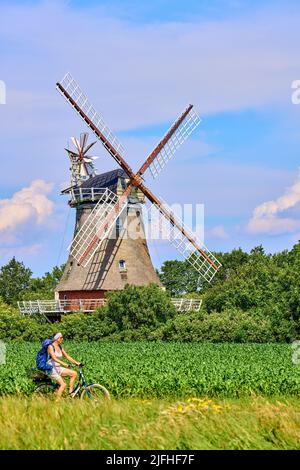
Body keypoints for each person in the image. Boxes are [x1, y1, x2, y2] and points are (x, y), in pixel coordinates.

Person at [47, 332, 81, 399]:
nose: (62, 339)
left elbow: (67, 356)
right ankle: (57, 402)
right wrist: (64, 364)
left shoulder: (59, 346)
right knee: (63, 385)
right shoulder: (50, 346)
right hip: (51, 369)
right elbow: (54, 358)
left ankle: (70, 393)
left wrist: (76, 363)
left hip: (58, 368)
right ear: (57, 338)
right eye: (61, 337)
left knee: (74, 374)